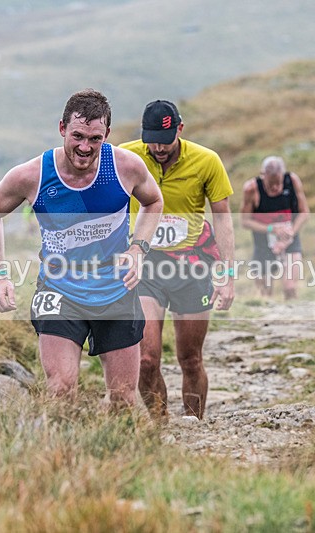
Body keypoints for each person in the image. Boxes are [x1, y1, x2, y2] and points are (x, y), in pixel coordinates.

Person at [0, 89, 163, 408]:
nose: (85, 147)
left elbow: (154, 201)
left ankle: (115, 456)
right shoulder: (32, 175)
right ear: (62, 128)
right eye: (77, 135)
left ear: (106, 134)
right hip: (59, 289)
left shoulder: (125, 167)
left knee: (122, 398)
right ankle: (60, 456)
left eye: (94, 138)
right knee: (61, 389)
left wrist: (138, 249)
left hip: (116, 290)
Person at [120, 100, 236, 419]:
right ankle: (161, 426)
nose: (157, 147)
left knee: (190, 359)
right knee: (147, 358)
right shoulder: (126, 157)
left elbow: (223, 218)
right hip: (145, 266)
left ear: (179, 130)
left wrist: (227, 275)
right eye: (151, 139)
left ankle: (193, 424)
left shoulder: (206, 160)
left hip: (192, 266)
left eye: (164, 139)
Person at [240, 156, 310, 299]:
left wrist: (290, 233)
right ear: (262, 175)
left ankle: (293, 316)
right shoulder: (251, 189)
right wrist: (271, 229)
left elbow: (304, 213)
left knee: (290, 288)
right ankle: (267, 319)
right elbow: (245, 221)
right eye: (271, 183)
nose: (275, 187)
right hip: (263, 241)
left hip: (289, 236)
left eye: (278, 183)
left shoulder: (293, 181)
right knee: (264, 292)